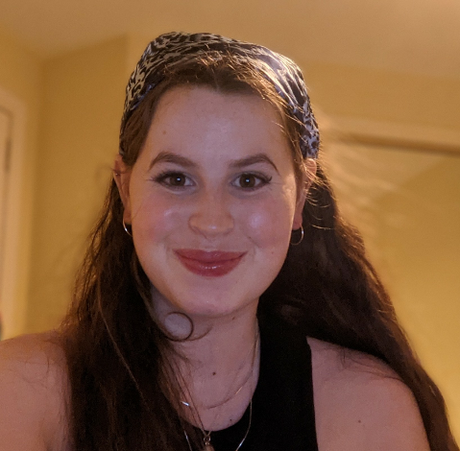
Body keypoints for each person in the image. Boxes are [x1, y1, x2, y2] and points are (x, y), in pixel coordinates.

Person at [0, 31, 457, 451]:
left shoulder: (369, 408)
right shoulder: (23, 389)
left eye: (249, 180)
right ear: (126, 190)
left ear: (300, 196)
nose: (212, 222)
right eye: (176, 178)